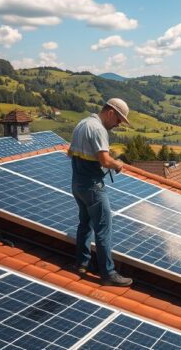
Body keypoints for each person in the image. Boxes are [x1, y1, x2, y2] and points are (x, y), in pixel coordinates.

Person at [68, 98, 133, 286]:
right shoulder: (98, 129)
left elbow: (69, 153)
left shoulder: (82, 124)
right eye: (119, 120)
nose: (118, 124)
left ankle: (82, 263)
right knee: (104, 228)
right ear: (111, 112)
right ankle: (108, 273)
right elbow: (105, 161)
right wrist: (117, 164)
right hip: (93, 187)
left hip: (77, 184)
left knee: (85, 223)